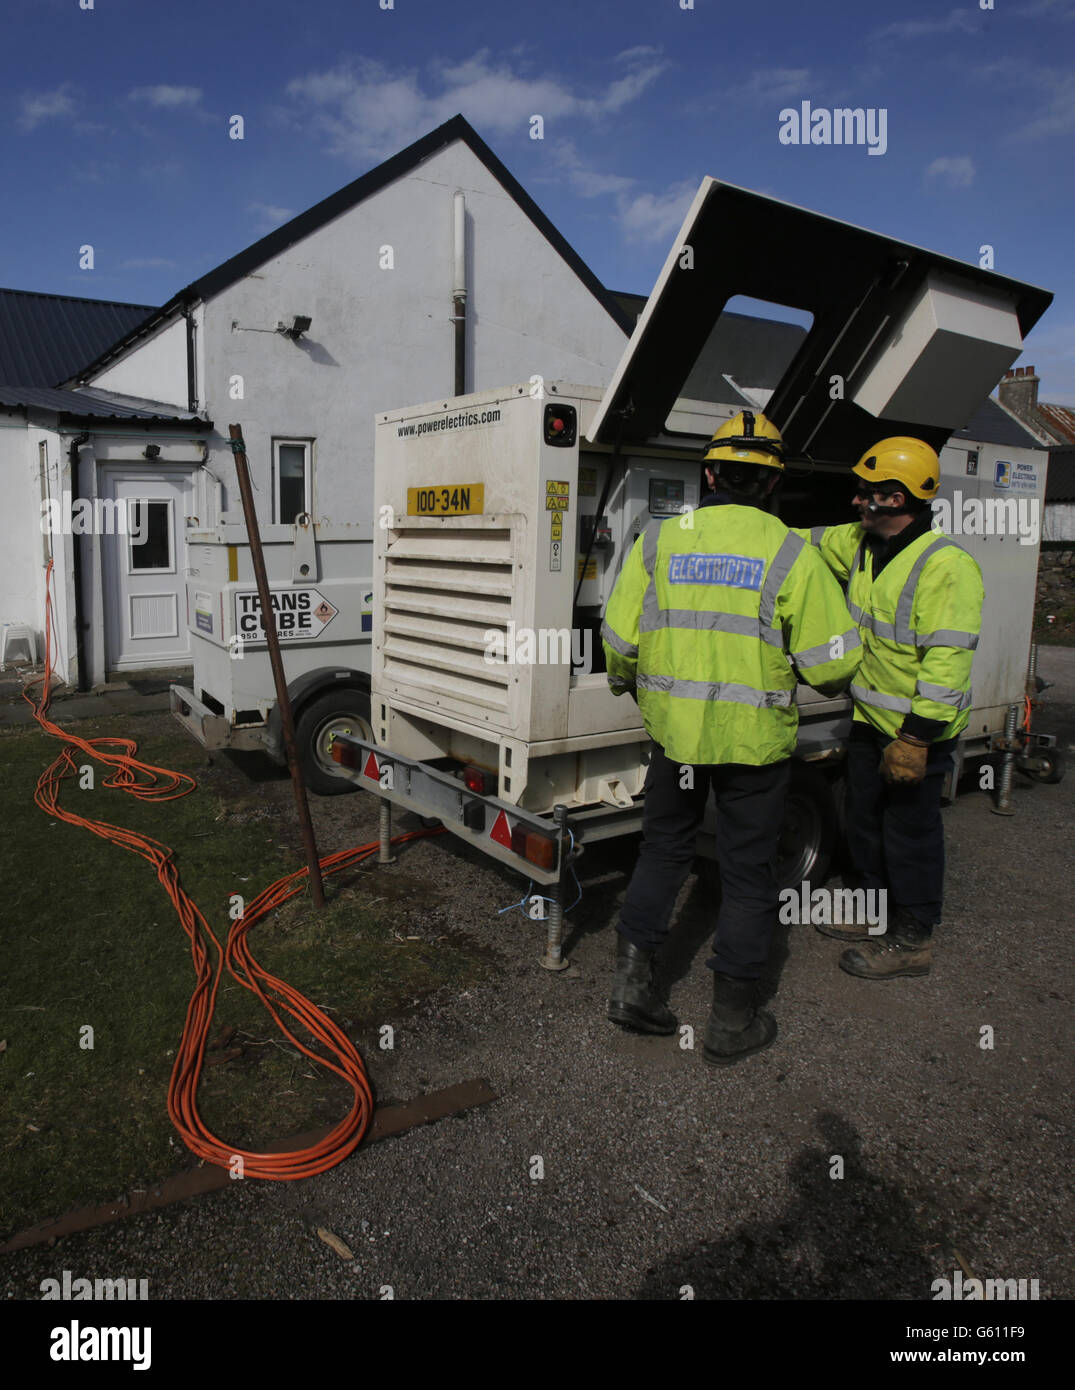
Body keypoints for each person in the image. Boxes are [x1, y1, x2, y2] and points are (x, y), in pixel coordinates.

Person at [601, 411, 862, 1064]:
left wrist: (635, 687)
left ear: (708, 474)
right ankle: (730, 1020)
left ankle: (632, 988)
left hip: (676, 741)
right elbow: (831, 664)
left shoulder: (658, 542)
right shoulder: (792, 553)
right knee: (747, 874)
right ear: (771, 486)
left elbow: (618, 642)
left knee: (663, 851)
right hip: (754, 749)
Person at [799, 438, 984, 980]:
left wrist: (918, 739)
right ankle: (872, 910)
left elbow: (947, 664)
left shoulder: (946, 567)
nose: (856, 502)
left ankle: (912, 938)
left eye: (867, 493)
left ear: (898, 499)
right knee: (864, 820)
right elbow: (796, 543)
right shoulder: (858, 544)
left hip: (915, 731)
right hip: (869, 718)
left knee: (911, 832)